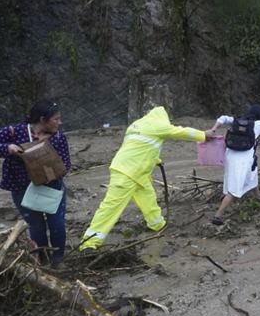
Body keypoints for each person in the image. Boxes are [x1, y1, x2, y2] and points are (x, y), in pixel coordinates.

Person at [79, 106, 215, 251]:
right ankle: (89, 242)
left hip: (134, 171)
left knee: (148, 199)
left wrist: (155, 159)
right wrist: (203, 135)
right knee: (111, 207)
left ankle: (157, 224)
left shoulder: (136, 125)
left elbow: (142, 147)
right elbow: (180, 132)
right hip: (128, 173)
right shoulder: (158, 125)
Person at [0, 100, 70, 265]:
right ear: (43, 119)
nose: (59, 122)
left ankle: (58, 260)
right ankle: (43, 261)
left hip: (52, 188)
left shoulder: (59, 138)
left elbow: (66, 164)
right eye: (56, 119)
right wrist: (7, 148)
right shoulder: (14, 132)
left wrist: (49, 169)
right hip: (22, 188)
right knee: (36, 226)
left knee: (57, 224)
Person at [209, 104, 260, 225]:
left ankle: (258, 196)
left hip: (230, 156)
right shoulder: (259, 125)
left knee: (253, 171)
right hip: (243, 160)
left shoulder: (236, 120)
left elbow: (222, 118)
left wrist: (213, 129)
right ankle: (217, 216)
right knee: (235, 190)